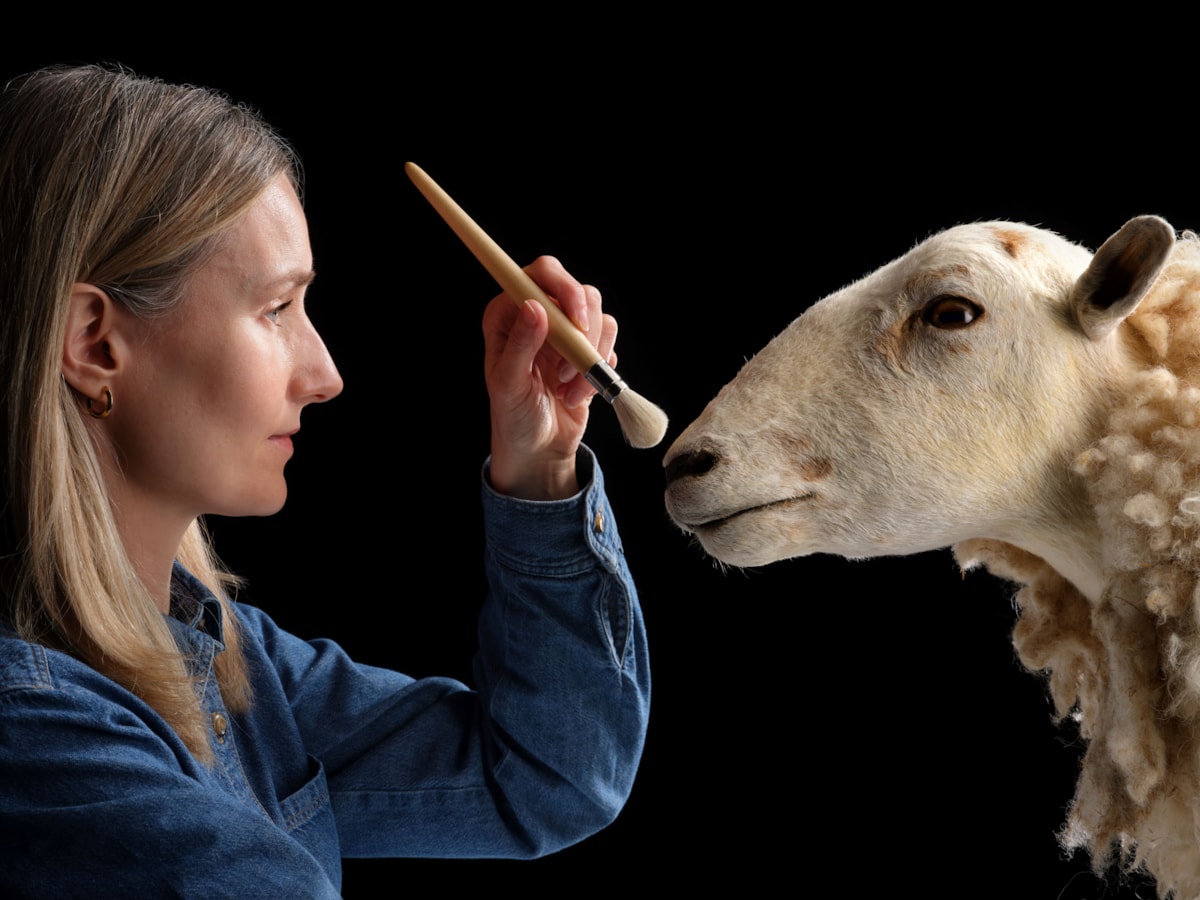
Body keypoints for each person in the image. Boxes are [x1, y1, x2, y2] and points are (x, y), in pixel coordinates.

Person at [0, 65, 648, 895]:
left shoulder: (225, 658)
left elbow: (545, 781)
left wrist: (542, 468)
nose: (327, 373)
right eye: (277, 309)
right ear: (95, 343)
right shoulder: (36, 735)